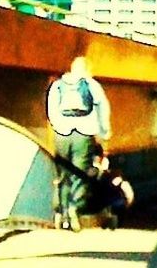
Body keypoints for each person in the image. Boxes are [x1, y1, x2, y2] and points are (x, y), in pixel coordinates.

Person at [46, 56, 111, 231]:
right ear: (87, 70)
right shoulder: (91, 85)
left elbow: (51, 110)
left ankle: (60, 213)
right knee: (80, 174)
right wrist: (104, 134)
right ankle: (74, 209)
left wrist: (59, 127)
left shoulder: (58, 85)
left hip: (62, 135)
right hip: (84, 135)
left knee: (62, 175)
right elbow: (102, 110)